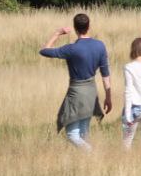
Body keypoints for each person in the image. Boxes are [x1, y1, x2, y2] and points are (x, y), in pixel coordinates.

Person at [39, 13, 112, 151]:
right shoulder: (100, 45)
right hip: (91, 91)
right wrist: (108, 98)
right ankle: (88, 164)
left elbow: (44, 51)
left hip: (76, 93)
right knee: (84, 131)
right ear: (89, 26)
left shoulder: (71, 49)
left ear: (75, 28)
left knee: (72, 134)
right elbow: (105, 74)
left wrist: (57, 33)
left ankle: (92, 154)